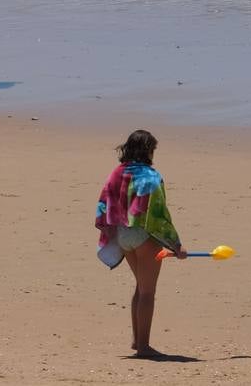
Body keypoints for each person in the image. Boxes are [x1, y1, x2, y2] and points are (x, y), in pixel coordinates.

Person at [95, 129, 187, 359]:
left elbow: (103, 203)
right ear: (148, 150)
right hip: (143, 235)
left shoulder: (117, 173)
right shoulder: (151, 177)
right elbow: (157, 215)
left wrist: (110, 232)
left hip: (123, 235)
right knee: (147, 292)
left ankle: (138, 341)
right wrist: (176, 244)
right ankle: (144, 347)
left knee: (140, 287)